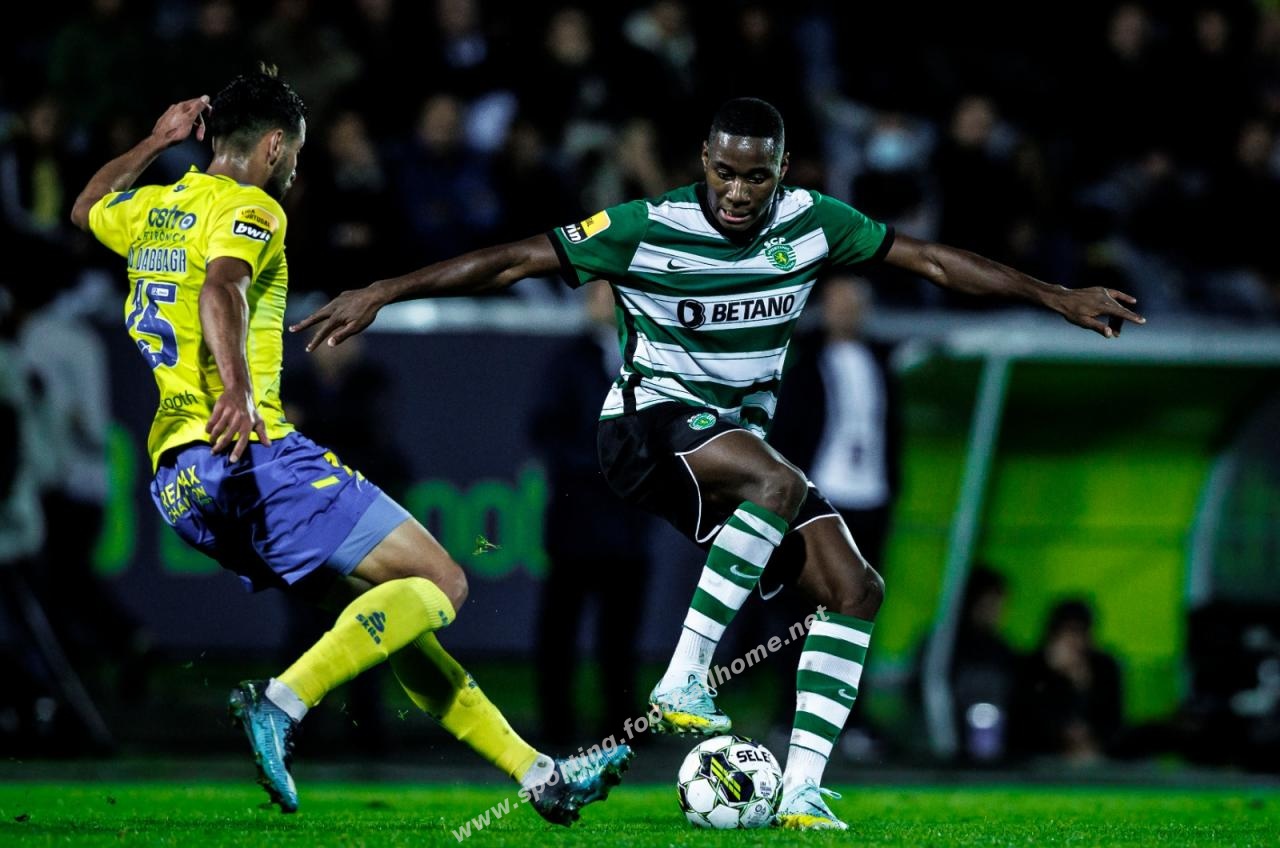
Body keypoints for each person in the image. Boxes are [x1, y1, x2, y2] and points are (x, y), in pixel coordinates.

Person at [294, 97, 1145, 830]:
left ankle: (802, 792)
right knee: (776, 479)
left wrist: (1053, 295)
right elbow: (515, 259)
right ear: (704, 161)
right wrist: (384, 291)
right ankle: (684, 677)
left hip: (729, 447)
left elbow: (926, 258)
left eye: (756, 178)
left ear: (781, 172)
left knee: (855, 589)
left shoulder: (813, 223)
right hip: (643, 430)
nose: (739, 192)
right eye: (727, 174)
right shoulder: (648, 226)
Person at [69, 66, 630, 822]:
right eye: (296, 154)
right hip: (251, 448)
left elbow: (85, 208)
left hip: (181, 483)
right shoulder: (252, 207)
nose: (296, 170)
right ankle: (280, 702)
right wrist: (236, 390)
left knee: (392, 621)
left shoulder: (156, 209)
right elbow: (223, 287)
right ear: (273, 146)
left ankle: (538, 775)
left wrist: (153, 143)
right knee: (444, 584)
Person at [529, 280, 653, 748]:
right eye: (599, 294)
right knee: (560, 627)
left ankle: (622, 723)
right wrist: (604, 465)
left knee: (621, 632)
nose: (607, 302)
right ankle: (555, 723)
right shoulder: (568, 361)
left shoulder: (647, 359)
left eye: (614, 294)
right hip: (577, 519)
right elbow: (545, 430)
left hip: (628, 522)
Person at [1010, 599, 1124, 764]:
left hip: (1098, 757)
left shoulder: (1104, 667)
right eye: (1069, 631)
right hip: (1042, 758)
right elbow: (1025, 724)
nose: (1074, 641)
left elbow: (1112, 722)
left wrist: (1081, 683)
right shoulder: (1033, 667)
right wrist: (1056, 678)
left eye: (1080, 632)